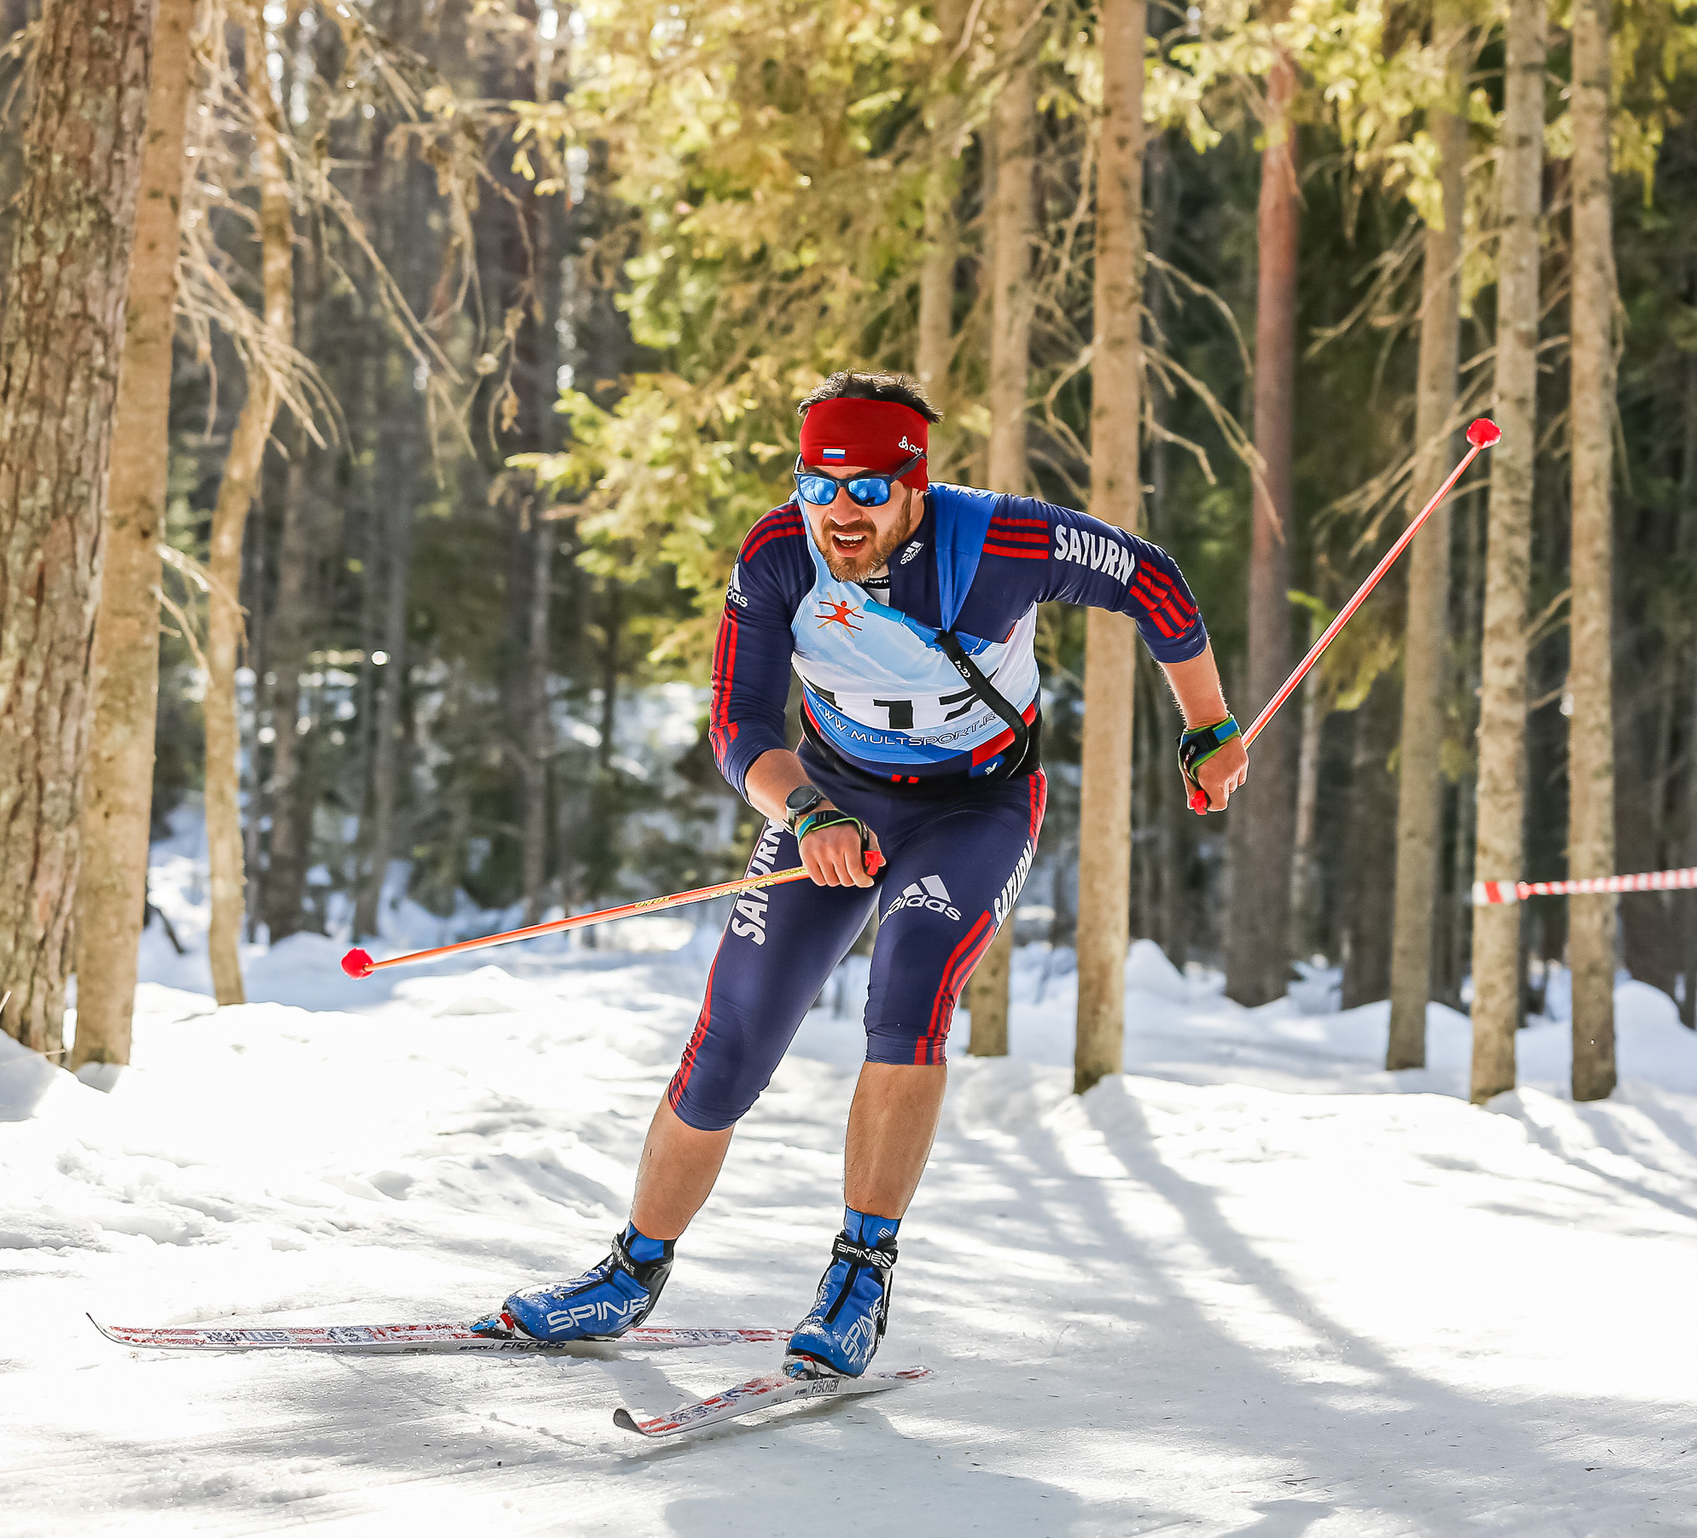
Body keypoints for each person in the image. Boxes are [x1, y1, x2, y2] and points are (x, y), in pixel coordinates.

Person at [487, 371, 1249, 1378]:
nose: (839, 515)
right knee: (732, 1041)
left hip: (974, 809)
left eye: (866, 492)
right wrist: (804, 810)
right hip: (836, 802)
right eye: (818, 488)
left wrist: (1209, 726)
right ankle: (630, 1271)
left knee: (906, 997)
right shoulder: (774, 559)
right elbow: (739, 728)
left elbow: (1146, 579)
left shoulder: (998, 545)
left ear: (914, 487)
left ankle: (858, 1275)